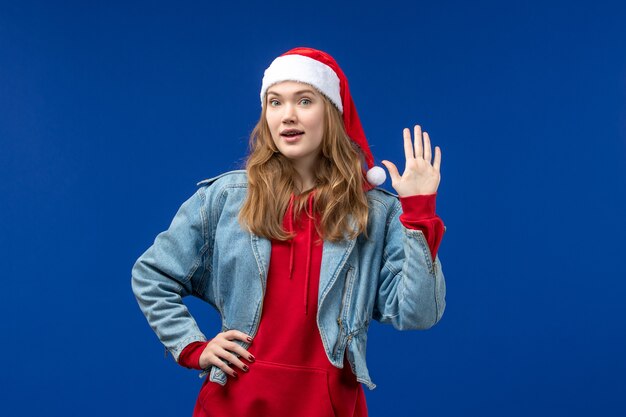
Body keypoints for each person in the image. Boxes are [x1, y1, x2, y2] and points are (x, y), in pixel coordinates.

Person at [131, 47, 446, 417]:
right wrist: (192, 347)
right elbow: (152, 275)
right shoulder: (226, 198)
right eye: (275, 102)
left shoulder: (374, 213)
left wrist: (419, 213)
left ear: (331, 113)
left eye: (305, 100)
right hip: (233, 404)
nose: (288, 115)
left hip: (328, 407)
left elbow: (419, 313)